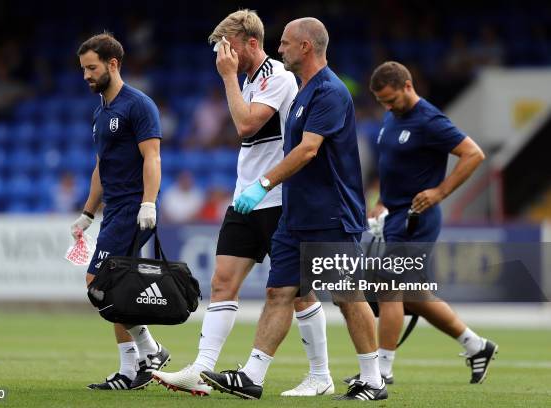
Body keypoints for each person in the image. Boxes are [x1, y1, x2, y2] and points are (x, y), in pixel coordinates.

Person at [199, 18, 388, 401]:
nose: (279, 49)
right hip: (296, 213)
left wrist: (264, 183)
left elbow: (308, 150)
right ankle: (252, 376)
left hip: (331, 212)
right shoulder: (303, 92)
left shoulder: (330, 92)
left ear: (305, 46)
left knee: (346, 295)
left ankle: (373, 379)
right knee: (279, 292)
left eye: (284, 44)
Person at [153, 10, 334, 398]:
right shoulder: (250, 79)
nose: (225, 55)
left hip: (279, 198)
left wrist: (228, 78)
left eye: (229, 46)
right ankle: (201, 369)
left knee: (297, 292)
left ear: (252, 43)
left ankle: (321, 374)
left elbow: (247, 125)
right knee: (221, 283)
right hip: (246, 196)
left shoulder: (278, 78)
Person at [344, 61, 496, 385]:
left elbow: (473, 154)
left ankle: (382, 371)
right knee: (412, 295)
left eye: (391, 100)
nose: (387, 106)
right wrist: (382, 201)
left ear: (408, 86)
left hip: (418, 218)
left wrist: (440, 191)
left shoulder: (430, 120)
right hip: (394, 214)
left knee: (387, 287)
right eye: (383, 102)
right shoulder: (392, 116)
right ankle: (476, 345)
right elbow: (393, 165)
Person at [70, 32, 170, 390]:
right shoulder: (100, 113)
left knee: (98, 283)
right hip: (113, 210)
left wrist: (148, 201)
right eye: (83, 69)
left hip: (133, 207)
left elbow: (152, 156)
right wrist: (87, 212)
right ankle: (133, 369)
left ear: (113, 64)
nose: (86, 75)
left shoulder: (138, 105)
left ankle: (150, 349)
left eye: (91, 68)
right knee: (118, 288)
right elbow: (102, 166)